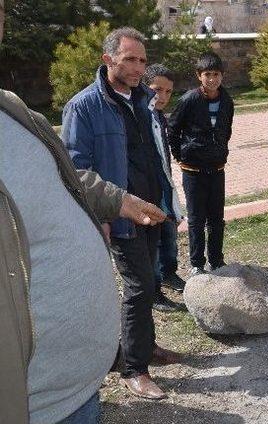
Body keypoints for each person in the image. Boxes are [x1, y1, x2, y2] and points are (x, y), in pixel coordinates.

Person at [0, 88, 166, 424]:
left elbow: (60, 175)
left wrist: (113, 199)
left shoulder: (12, 109)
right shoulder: (84, 105)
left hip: (78, 391)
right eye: (130, 58)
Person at [62, 27, 180, 400]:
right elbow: (76, 170)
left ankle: (146, 347)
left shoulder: (147, 100)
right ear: (108, 59)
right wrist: (104, 215)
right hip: (120, 215)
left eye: (142, 60)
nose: (138, 67)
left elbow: (158, 155)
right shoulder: (84, 107)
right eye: (129, 58)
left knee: (151, 281)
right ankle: (133, 367)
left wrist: (169, 202)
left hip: (152, 210)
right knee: (139, 286)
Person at [168, 53, 234, 276]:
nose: (212, 79)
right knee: (196, 219)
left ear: (222, 76)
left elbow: (227, 129)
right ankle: (197, 263)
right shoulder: (189, 100)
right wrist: (180, 155)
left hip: (217, 169)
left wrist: (220, 150)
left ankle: (216, 260)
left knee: (217, 219)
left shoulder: (227, 100)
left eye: (216, 75)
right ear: (199, 76)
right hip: (193, 171)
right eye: (207, 75)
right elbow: (173, 129)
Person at [142, 63, 186, 311]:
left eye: (168, 92)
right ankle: (154, 290)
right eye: (157, 89)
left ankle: (169, 273)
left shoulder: (159, 116)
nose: (163, 97)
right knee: (152, 241)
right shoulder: (138, 115)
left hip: (164, 186)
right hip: (146, 191)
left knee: (169, 234)